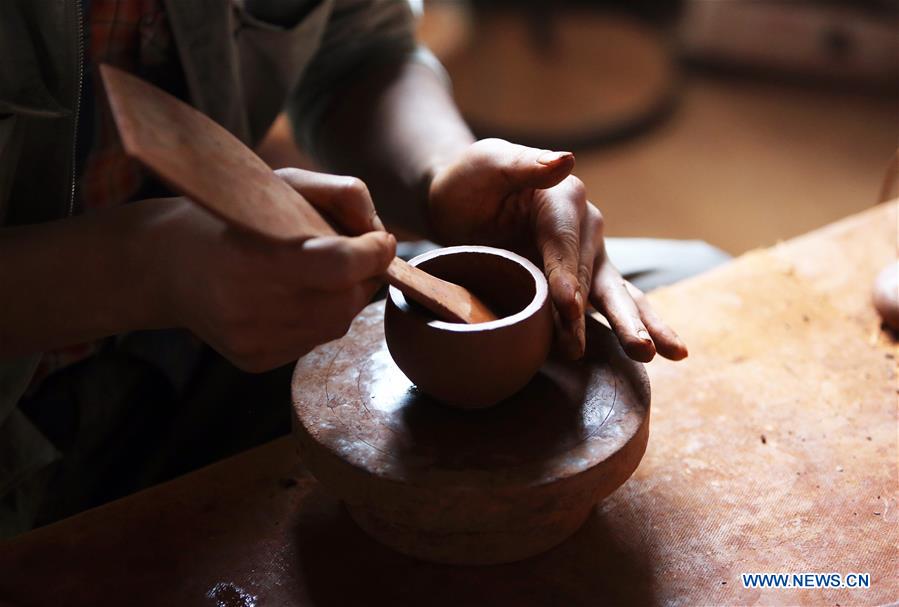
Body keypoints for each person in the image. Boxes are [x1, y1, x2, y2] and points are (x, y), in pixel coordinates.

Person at [0, 0, 727, 536]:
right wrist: (142, 269)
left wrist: (437, 174)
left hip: (207, 351)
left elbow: (356, 49)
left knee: (695, 279)